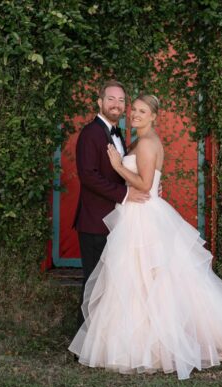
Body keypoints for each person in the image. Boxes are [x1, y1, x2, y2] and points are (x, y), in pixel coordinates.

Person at [69, 94, 222, 380]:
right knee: (137, 278)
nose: (135, 114)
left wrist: (119, 167)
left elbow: (144, 183)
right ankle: (138, 340)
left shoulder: (147, 142)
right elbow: (146, 179)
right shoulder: (140, 141)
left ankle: (152, 344)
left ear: (154, 116)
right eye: (134, 110)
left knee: (146, 278)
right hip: (137, 211)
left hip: (143, 216)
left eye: (142, 111)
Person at [73, 80, 150, 327]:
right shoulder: (91, 133)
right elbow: (88, 176)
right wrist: (125, 194)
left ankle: (104, 337)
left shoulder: (116, 133)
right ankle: (85, 338)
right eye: (111, 99)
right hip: (95, 221)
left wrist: (144, 186)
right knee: (94, 283)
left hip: (115, 220)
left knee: (110, 282)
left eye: (121, 100)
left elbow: (119, 173)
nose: (116, 104)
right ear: (100, 102)